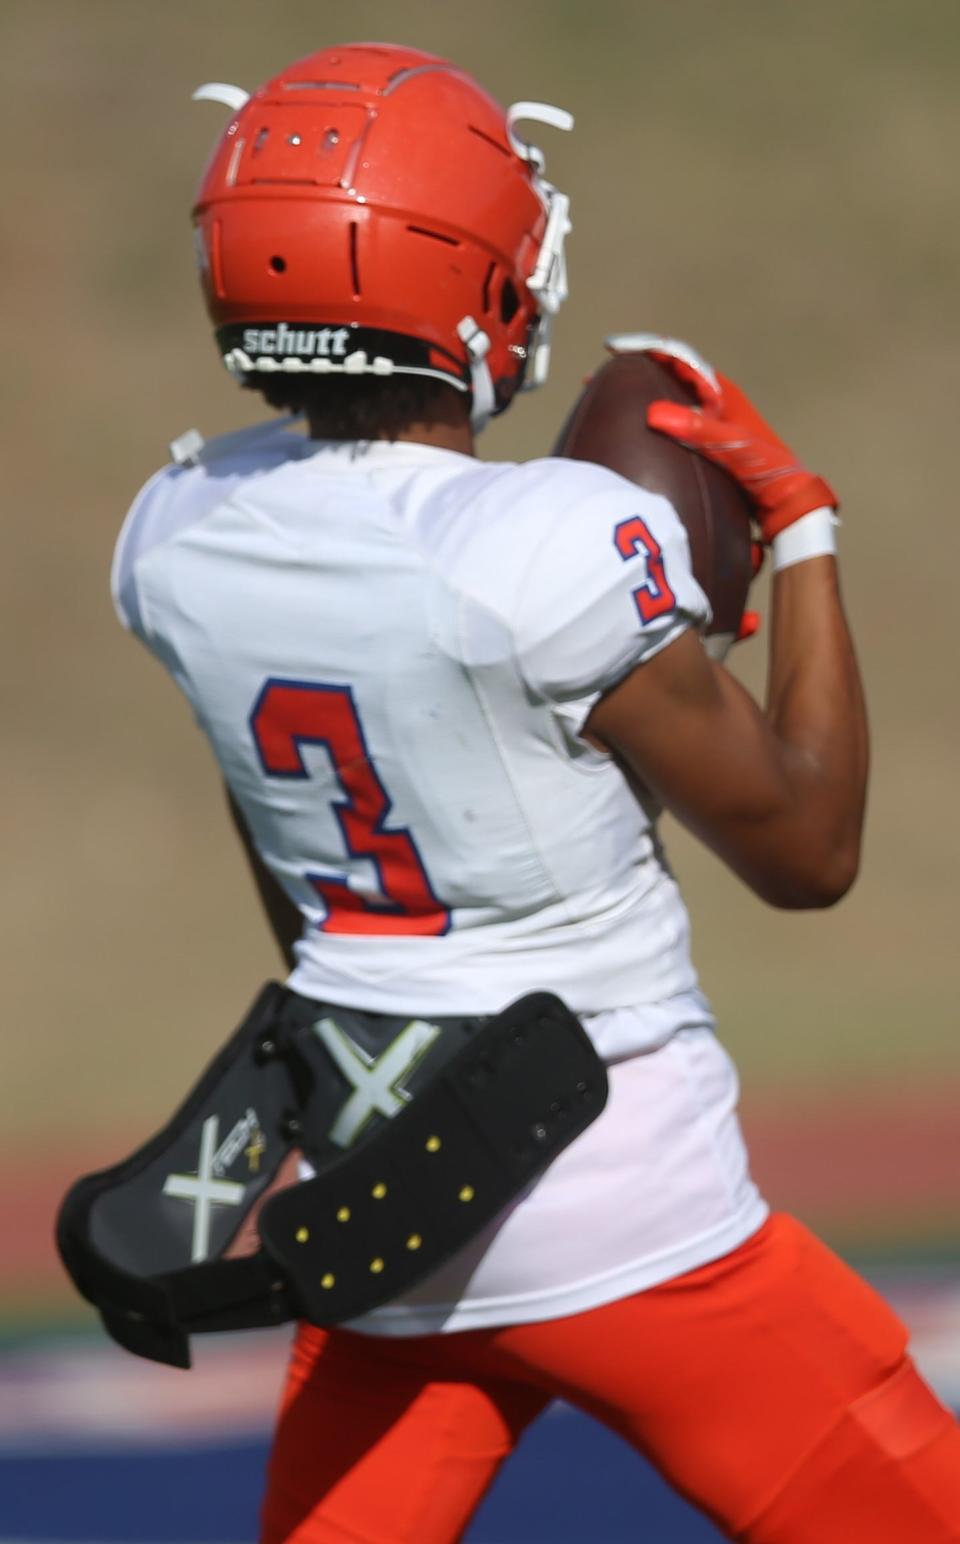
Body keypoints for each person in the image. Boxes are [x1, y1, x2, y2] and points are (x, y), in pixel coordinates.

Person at [111, 41, 960, 1544]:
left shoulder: (177, 533)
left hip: (384, 1205)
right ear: (474, 277)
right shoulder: (550, 541)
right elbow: (809, 846)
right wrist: (807, 529)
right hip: (634, 1215)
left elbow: (305, 878)